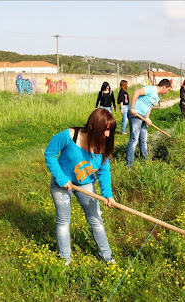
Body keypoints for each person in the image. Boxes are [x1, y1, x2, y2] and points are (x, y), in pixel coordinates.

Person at [44, 108, 117, 265]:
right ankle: (65, 261)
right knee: (63, 221)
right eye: (105, 130)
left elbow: (104, 173)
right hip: (62, 184)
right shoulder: (70, 136)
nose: (107, 135)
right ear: (93, 127)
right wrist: (62, 178)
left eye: (110, 131)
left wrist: (107, 194)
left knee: (96, 219)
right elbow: (49, 154)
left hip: (85, 184)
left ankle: (107, 257)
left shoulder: (103, 144)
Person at [125, 79, 172, 167]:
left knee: (143, 139)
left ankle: (145, 160)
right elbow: (137, 92)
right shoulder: (151, 89)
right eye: (168, 89)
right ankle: (129, 163)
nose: (167, 92)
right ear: (164, 86)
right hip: (136, 114)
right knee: (134, 139)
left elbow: (150, 106)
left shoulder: (158, 97)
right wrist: (133, 108)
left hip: (143, 116)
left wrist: (147, 117)